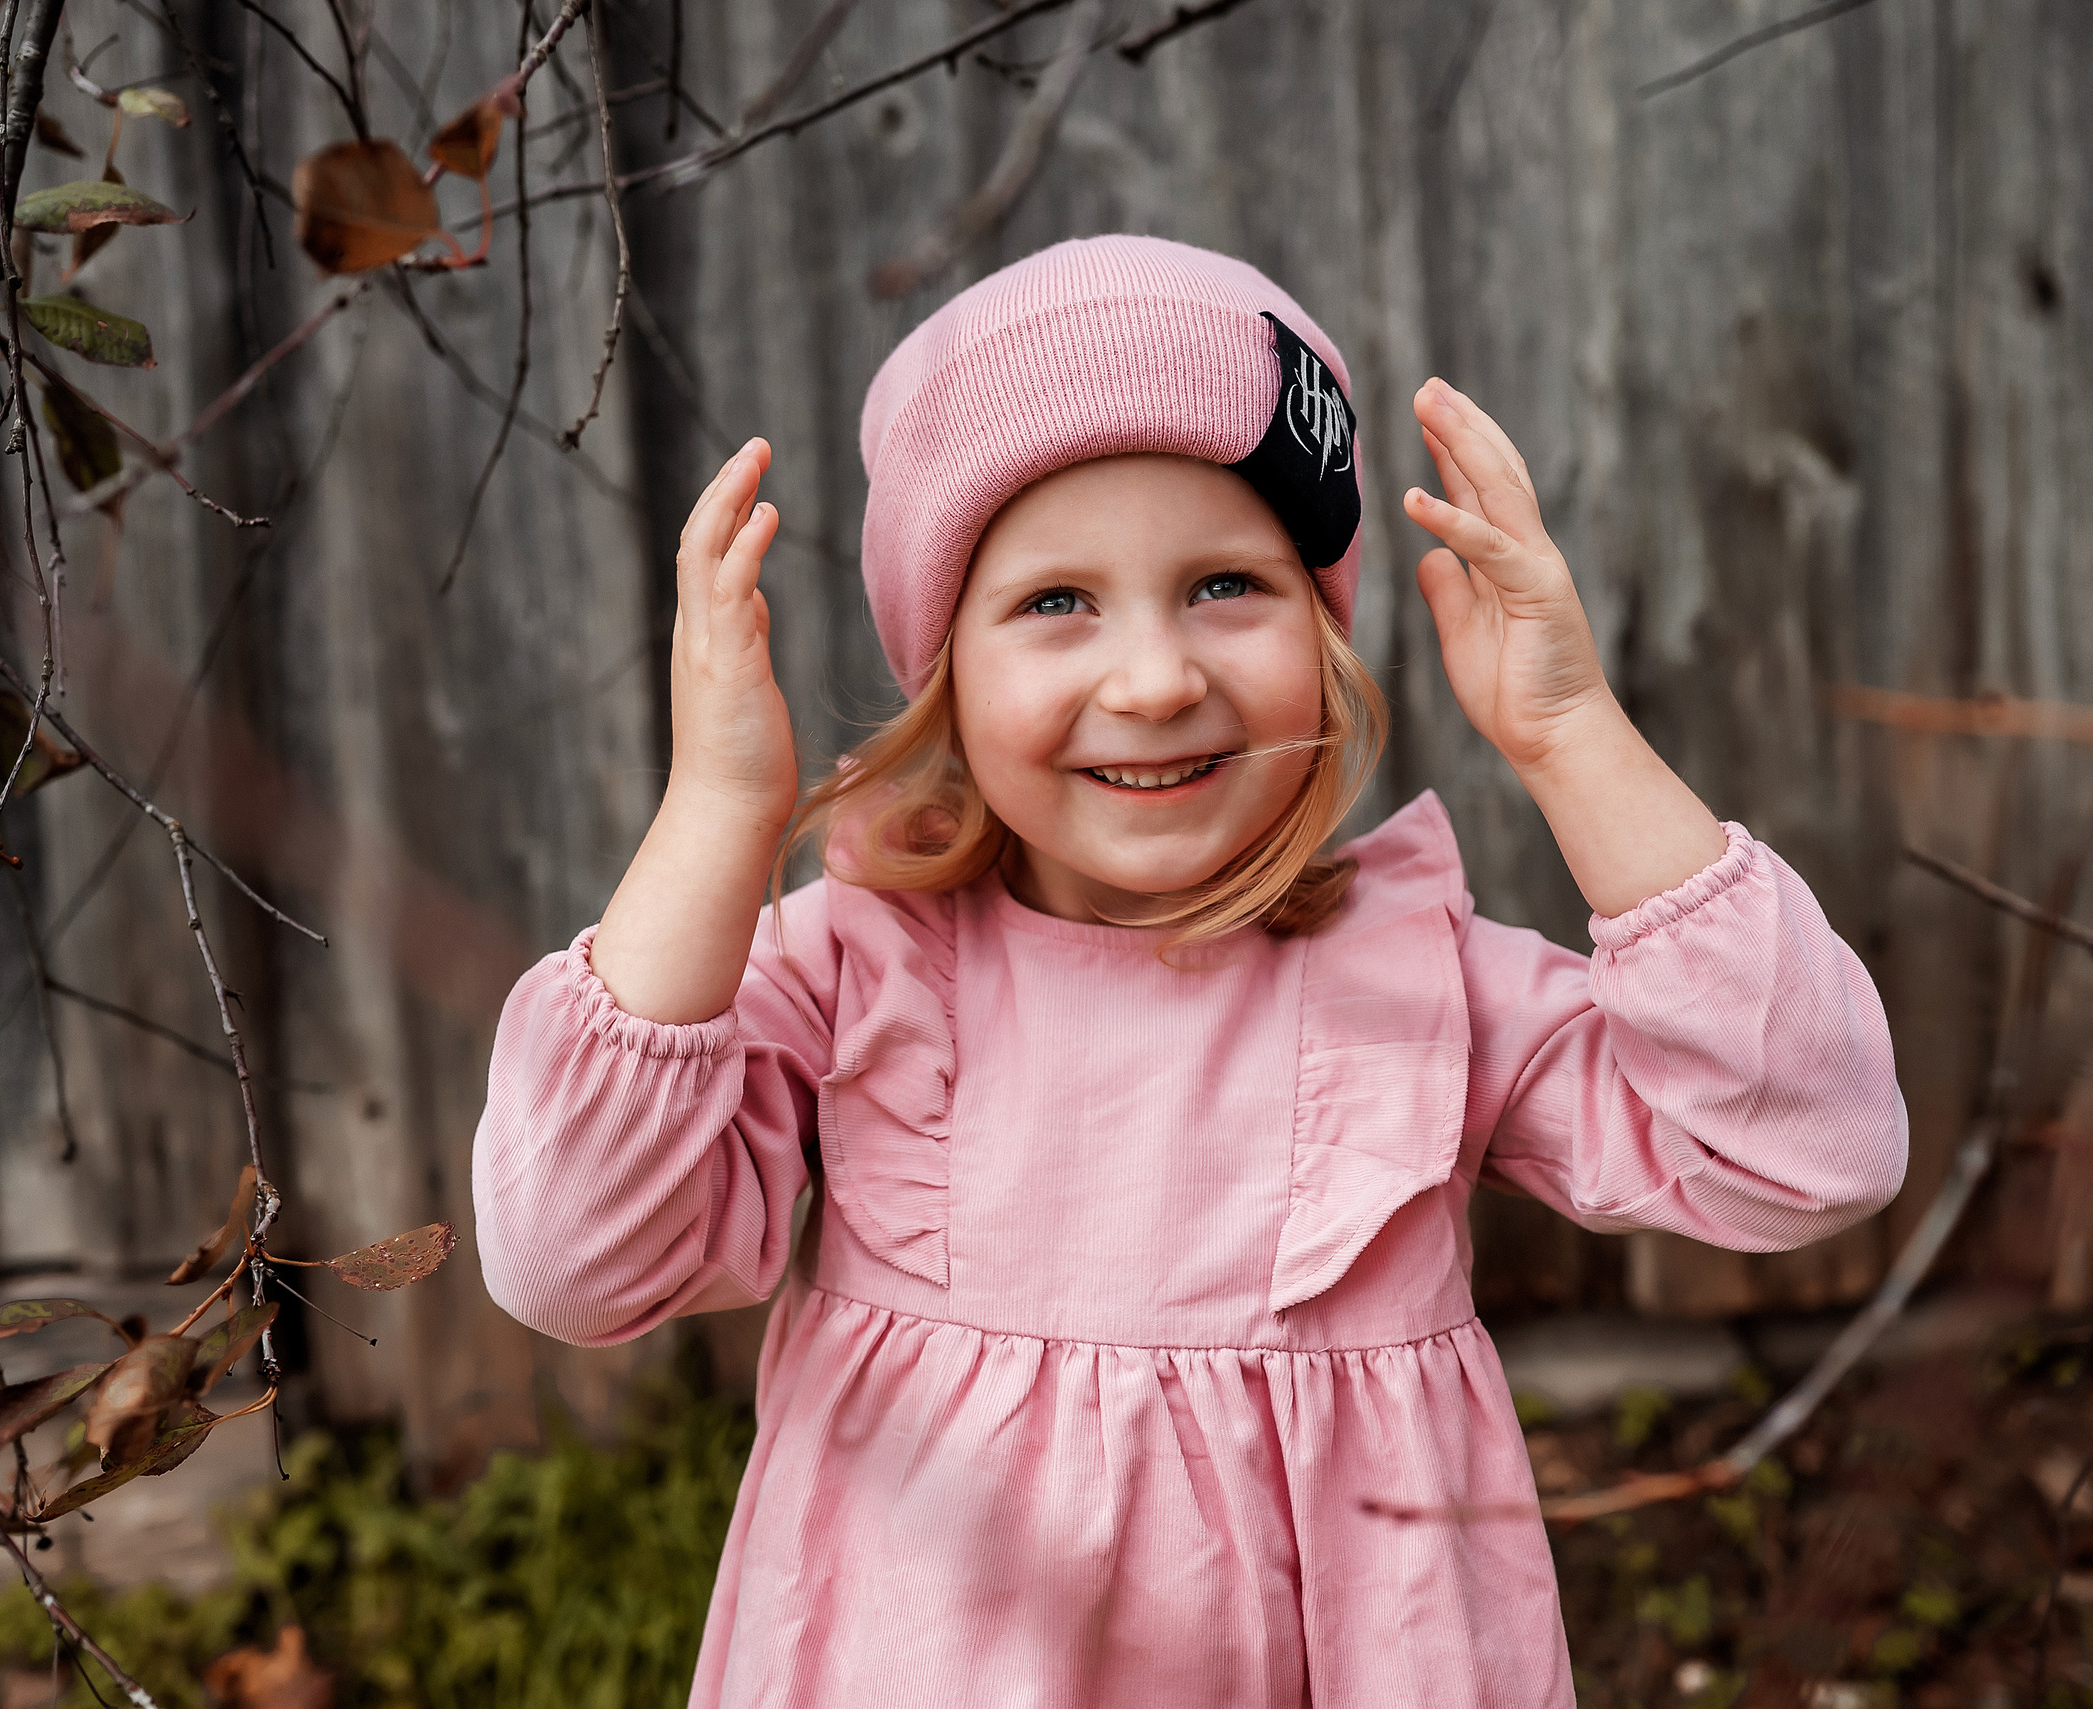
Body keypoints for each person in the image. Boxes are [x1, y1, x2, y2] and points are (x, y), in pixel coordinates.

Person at [471, 235, 1906, 1707]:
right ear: (945, 669)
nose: (1153, 679)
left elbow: (1806, 1148)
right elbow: (574, 1256)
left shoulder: (1415, 982)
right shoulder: (861, 968)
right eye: (1055, 602)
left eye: (1227, 583)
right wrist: (714, 814)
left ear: (1326, 633)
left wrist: (1569, 732)